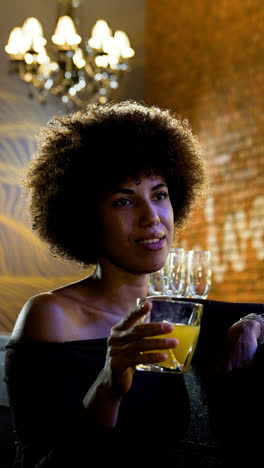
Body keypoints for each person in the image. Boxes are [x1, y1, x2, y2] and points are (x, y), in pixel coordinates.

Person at [4, 100, 264, 467]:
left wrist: (253, 323)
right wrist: (108, 387)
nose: (151, 218)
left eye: (159, 195)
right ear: (85, 217)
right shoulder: (51, 316)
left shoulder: (181, 312)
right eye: (124, 202)